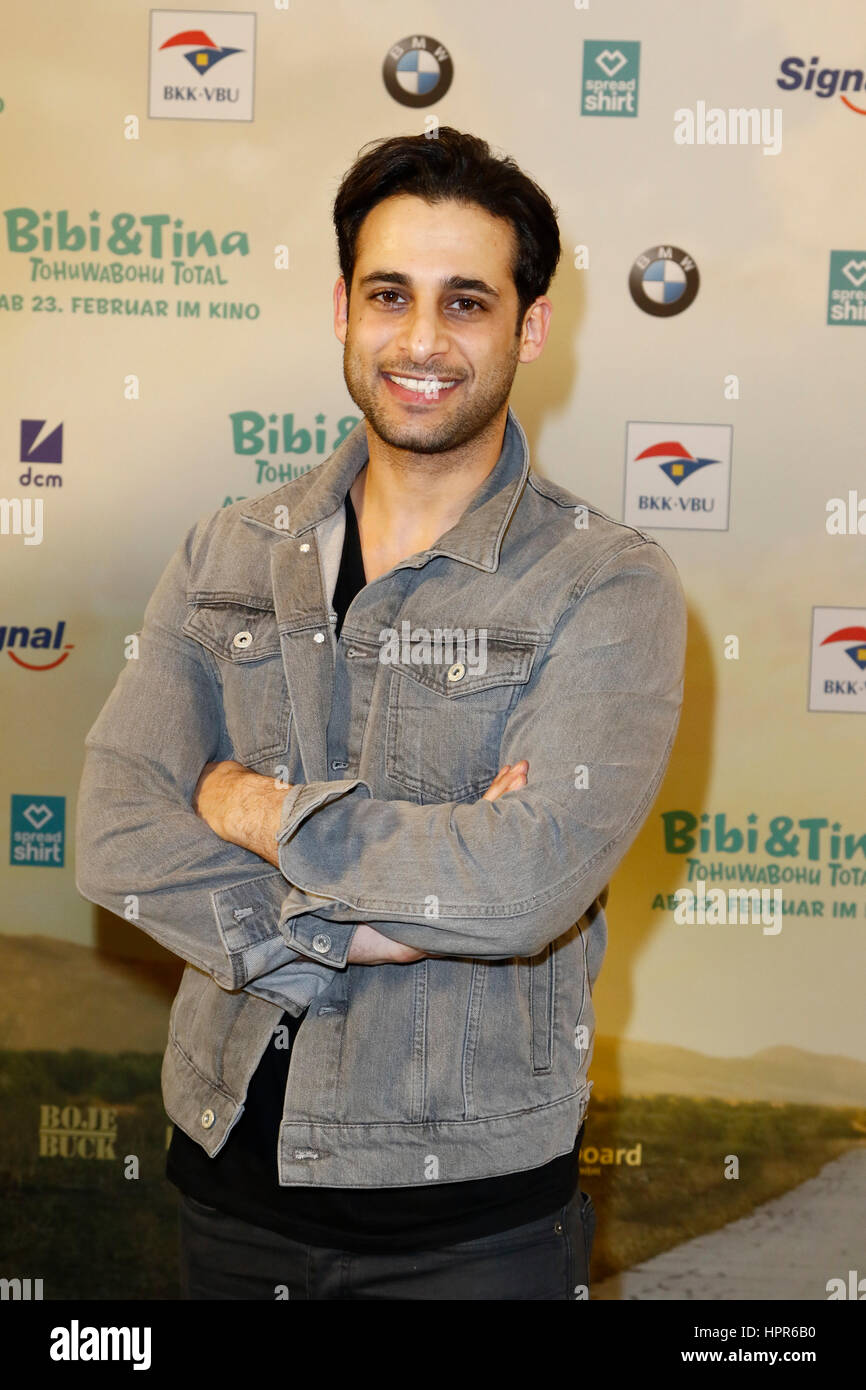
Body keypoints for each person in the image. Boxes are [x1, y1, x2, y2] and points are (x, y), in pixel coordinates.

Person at [75, 127, 687, 1301]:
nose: (419, 341)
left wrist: (239, 801)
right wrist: (375, 918)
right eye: (388, 295)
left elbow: (520, 885)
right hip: (225, 1190)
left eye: (465, 301)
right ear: (341, 310)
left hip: (469, 1232)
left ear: (530, 326)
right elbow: (112, 826)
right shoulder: (226, 550)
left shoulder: (606, 582)